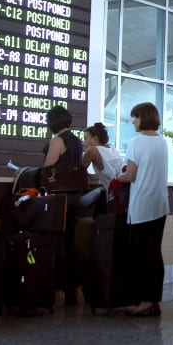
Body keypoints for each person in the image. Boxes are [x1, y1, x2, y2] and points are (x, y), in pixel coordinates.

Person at [114, 102, 169, 317]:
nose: (133, 122)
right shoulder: (162, 142)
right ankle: (154, 299)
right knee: (154, 253)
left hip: (142, 205)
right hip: (160, 204)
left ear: (143, 118)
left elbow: (131, 175)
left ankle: (144, 301)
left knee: (140, 254)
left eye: (135, 117)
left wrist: (119, 176)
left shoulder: (136, 142)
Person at [42, 105, 84, 306]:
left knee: (58, 242)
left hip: (60, 198)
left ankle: (58, 290)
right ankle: (76, 289)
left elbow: (48, 168)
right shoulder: (77, 141)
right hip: (76, 197)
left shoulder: (57, 140)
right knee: (71, 242)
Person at [80, 122, 124, 211]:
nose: (83, 141)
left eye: (85, 138)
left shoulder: (92, 150)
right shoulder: (112, 147)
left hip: (114, 193)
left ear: (95, 139)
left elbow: (80, 171)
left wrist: (85, 151)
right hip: (123, 188)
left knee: (80, 202)